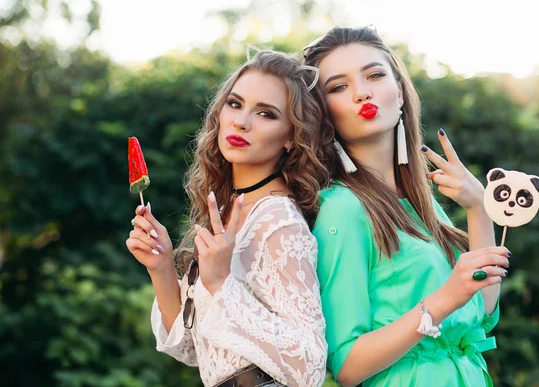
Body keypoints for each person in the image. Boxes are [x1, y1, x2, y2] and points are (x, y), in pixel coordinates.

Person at [303, 26, 510, 386]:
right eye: (338, 87)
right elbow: (347, 365)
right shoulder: (342, 209)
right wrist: (444, 299)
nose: (362, 92)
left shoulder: (421, 201)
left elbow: (482, 309)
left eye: (374, 75)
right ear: (323, 113)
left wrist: (478, 208)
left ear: (399, 91)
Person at [126, 47, 332, 387]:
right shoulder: (227, 210)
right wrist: (161, 268)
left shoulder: (278, 221)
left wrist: (222, 284)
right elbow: (191, 351)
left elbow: (309, 366)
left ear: (292, 138)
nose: (241, 121)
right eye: (235, 104)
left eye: (266, 114)